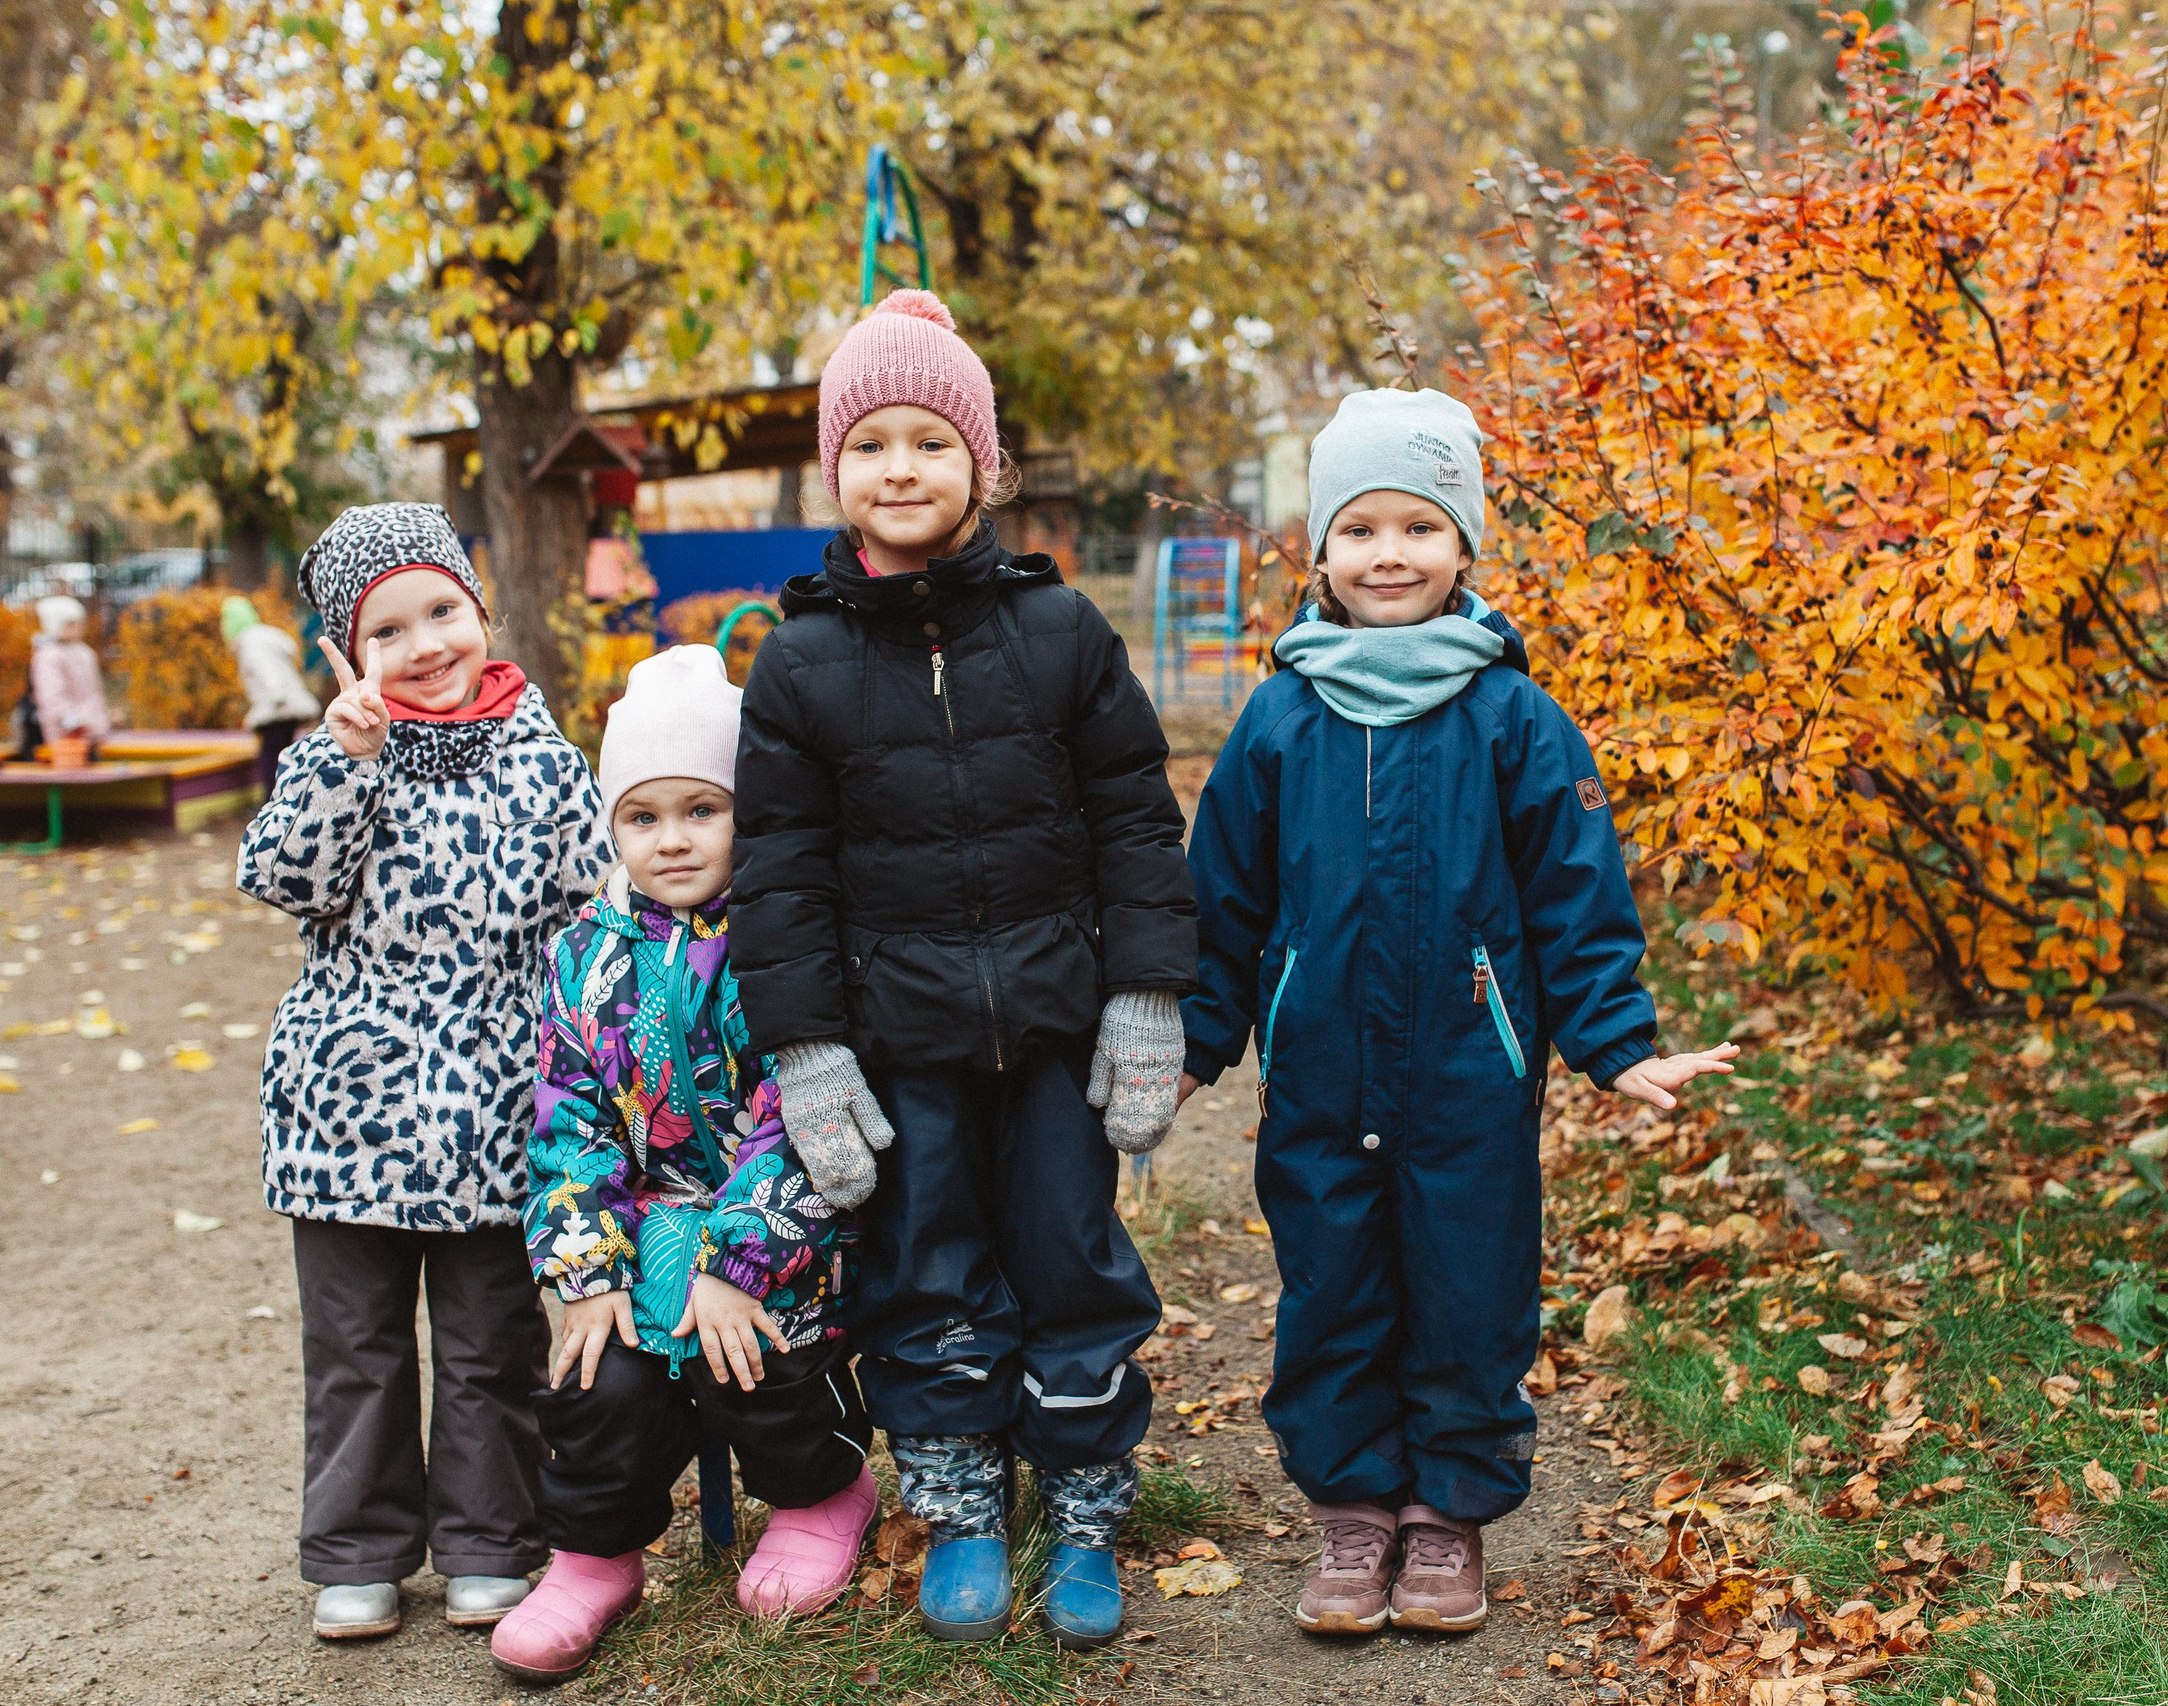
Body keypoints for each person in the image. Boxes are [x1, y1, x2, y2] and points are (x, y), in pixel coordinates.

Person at [1177, 388, 1740, 1637]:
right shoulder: (1278, 718)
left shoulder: (1513, 720)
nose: (1390, 552)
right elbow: (1221, 898)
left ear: (1464, 549)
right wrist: (1199, 1038)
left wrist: (1614, 1040)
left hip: (1471, 1080)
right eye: (1361, 526)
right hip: (1319, 1073)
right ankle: (1353, 1511)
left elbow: (1575, 896)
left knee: (1467, 1291)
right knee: (1331, 1286)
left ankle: (1446, 1520)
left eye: (1419, 527)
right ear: (1318, 550)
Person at [731, 289, 1196, 1650]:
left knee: (1072, 1259)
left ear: (981, 464)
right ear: (838, 470)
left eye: (931, 438)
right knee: (927, 1270)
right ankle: (961, 1507)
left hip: (1055, 1024)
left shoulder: (1061, 636)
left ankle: (1089, 1508)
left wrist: (1148, 996)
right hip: (899, 1044)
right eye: (871, 441)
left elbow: (1132, 818)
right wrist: (808, 1051)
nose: (901, 466)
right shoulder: (801, 664)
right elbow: (782, 875)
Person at [236, 503, 610, 1644]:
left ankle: (493, 1539)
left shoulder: (546, 759)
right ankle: (357, 1548)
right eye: (388, 629)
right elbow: (284, 876)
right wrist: (344, 760)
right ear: (348, 653)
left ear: (480, 607)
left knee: (490, 1340)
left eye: (442, 610)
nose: (427, 644)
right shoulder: (339, 754)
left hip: (496, 1109)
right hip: (344, 1110)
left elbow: (594, 915)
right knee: (354, 1344)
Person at [488, 645, 875, 1683]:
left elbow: (798, 1109)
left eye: (703, 809)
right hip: (644, 1225)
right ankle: (594, 1552)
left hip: (786, 1230)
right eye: (644, 815)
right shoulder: (585, 954)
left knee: (746, 1351)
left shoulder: (786, 937)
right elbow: (568, 1122)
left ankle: (818, 1491)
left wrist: (735, 1255)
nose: (672, 839)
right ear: (612, 823)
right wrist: (586, 1266)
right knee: (592, 1371)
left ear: (750, 810)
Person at [223, 595, 322, 796]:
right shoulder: (266, 636)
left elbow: (266, 670)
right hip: (290, 704)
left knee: (270, 757)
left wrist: (276, 696)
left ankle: (273, 800)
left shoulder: (250, 642)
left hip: (276, 707)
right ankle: (287, 796)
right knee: (284, 754)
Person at [30, 594, 108, 758]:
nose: (78, 627)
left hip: (93, 733)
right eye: (70, 623)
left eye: (79, 622)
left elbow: (93, 693)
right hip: (67, 738)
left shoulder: (84, 652)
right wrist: (74, 723)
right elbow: (52, 698)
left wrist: (99, 721)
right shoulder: (49, 657)